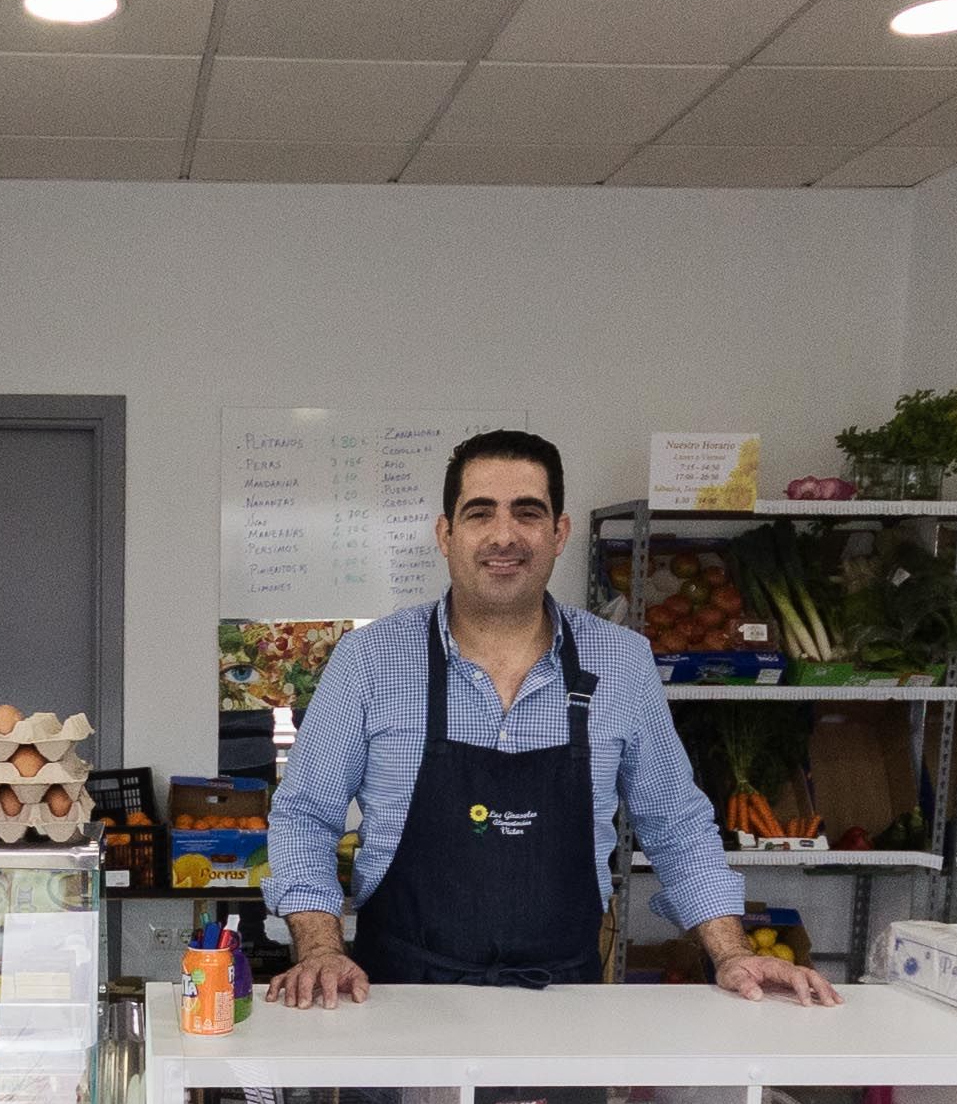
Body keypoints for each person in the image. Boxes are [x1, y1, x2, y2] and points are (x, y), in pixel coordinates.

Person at [262, 428, 838, 1008]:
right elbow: (304, 814)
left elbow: (678, 824)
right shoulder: (372, 659)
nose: (504, 535)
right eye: (480, 512)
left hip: (564, 1004)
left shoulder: (622, 661)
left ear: (558, 532)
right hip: (396, 1002)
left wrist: (733, 952)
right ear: (446, 534)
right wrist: (318, 949)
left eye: (528, 513)